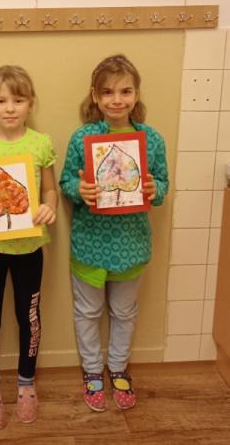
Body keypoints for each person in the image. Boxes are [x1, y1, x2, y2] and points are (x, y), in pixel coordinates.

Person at [59, 54, 168, 412]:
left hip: (131, 245)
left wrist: (154, 189)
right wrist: (79, 189)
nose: (117, 100)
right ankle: (92, 371)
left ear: (136, 94)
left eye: (125, 91)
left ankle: (118, 368)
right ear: (95, 95)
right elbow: (66, 181)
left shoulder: (151, 139)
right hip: (90, 243)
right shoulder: (83, 137)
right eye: (107, 92)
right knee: (88, 312)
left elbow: (163, 184)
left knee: (124, 312)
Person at [0, 65, 58, 429]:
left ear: (30, 103)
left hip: (29, 249)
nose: (10, 108)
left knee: (28, 317)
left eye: (18, 100)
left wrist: (49, 206)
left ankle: (26, 383)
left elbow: (49, 189)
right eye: (1, 101)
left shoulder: (41, 143)